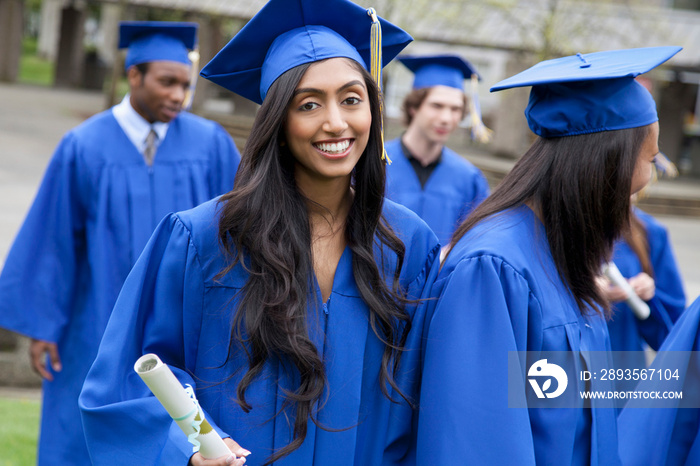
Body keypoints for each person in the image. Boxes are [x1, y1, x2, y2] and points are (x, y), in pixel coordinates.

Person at [79, 1, 438, 465]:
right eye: (308, 104)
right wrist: (192, 445)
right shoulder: (206, 238)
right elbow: (132, 374)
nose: (336, 122)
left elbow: (431, 392)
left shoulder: (407, 244)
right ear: (277, 124)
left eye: (352, 99)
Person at [416, 46, 682, 465]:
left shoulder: (563, 253)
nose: (649, 176)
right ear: (607, 164)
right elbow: (476, 442)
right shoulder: (494, 266)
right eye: (650, 158)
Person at [0, 21, 240, 466]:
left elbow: (238, 232)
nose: (178, 96)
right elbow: (53, 238)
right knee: (81, 429)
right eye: (166, 82)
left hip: (181, 322)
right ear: (134, 76)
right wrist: (43, 326)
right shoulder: (84, 145)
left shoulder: (210, 145)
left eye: (185, 86)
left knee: (180, 428)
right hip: (94, 321)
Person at [384, 54, 490, 245]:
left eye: (455, 109)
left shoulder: (469, 179)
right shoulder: (374, 163)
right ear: (413, 108)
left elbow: (477, 239)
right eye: (437, 106)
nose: (446, 118)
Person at [600, 203, 686, 393]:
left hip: (621, 380)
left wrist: (649, 297)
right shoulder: (553, 226)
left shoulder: (648, 230)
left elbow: (672, 334)